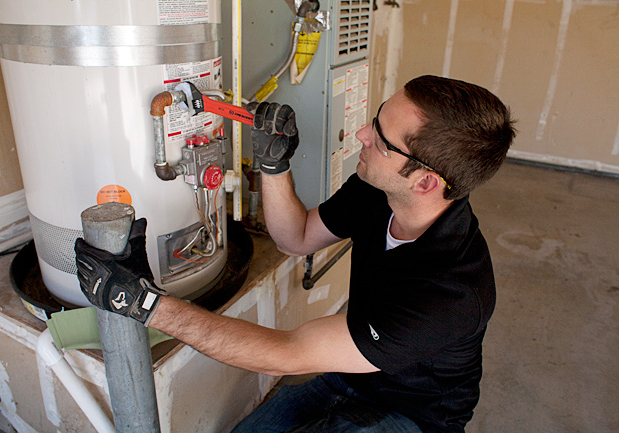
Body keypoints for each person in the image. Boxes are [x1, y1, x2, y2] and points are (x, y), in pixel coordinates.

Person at [75, 75, 516, 433]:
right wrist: (274, 165)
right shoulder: (379, 190)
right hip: (346, 376)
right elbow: (296, 238)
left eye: (381, 138)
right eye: (374, 119)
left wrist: (145, 304)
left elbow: (290, 352)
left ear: (424, 182)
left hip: (414, 414)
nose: (362, 133)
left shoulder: (452, 293)